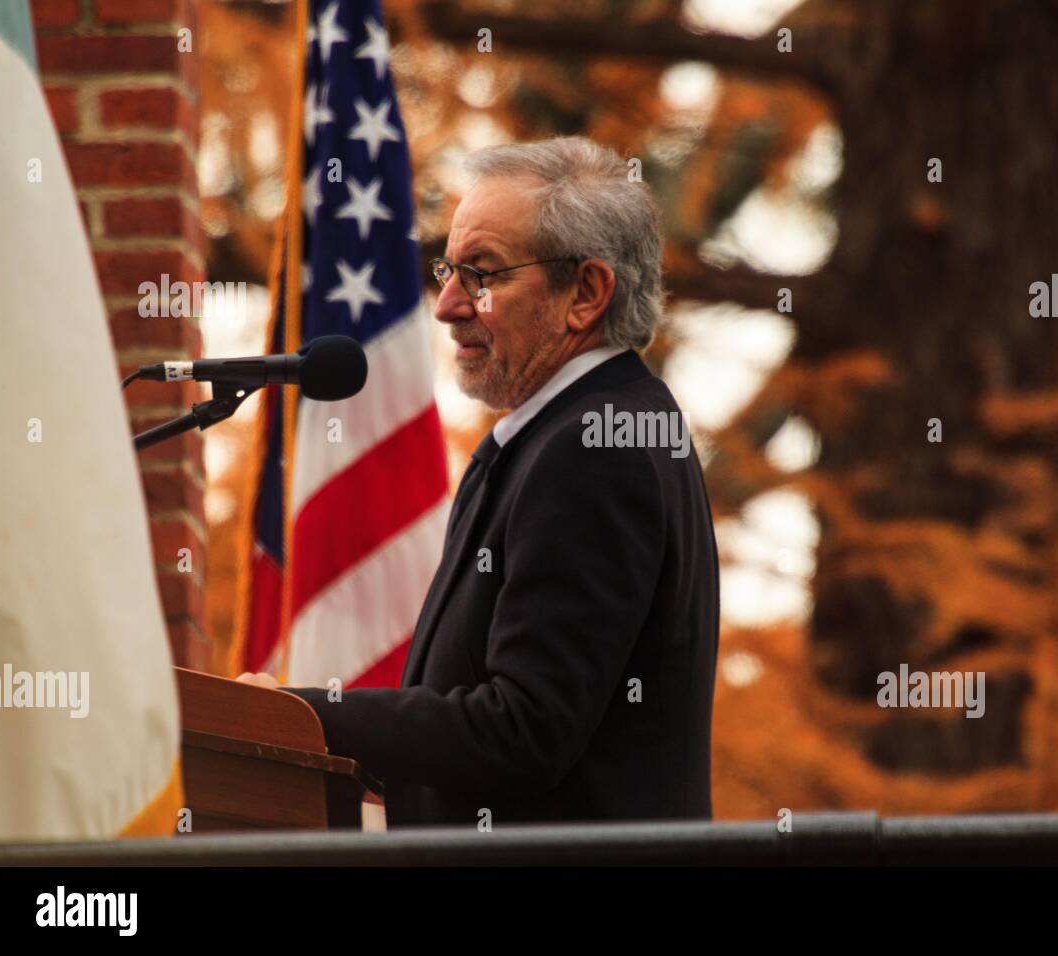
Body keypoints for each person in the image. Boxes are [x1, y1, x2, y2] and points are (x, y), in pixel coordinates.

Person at [239, 136, 720, 827]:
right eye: (449, 270)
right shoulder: (584, 430)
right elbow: (499, 727)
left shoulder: (593, 447)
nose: (448, 305)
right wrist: (346, 749)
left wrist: (306, 716)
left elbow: (524, 729)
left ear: (585, 293)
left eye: (483, 274)